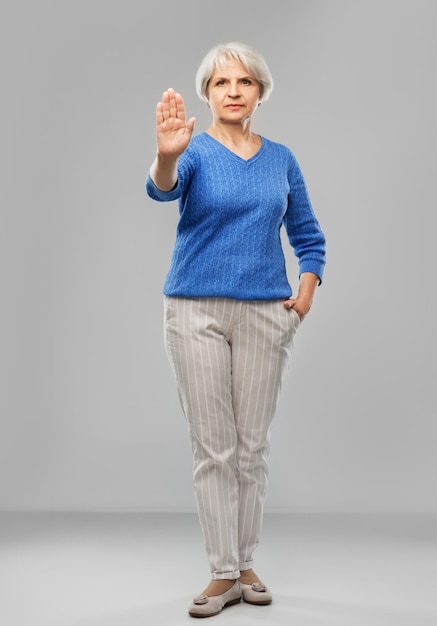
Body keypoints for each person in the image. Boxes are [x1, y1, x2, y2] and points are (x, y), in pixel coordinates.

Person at [145, 41, 326, 618]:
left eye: (244, 83)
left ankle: (246, 563)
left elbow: (308, 234)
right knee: (214, 448)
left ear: (259, 93)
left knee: (251, 447)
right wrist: (166, 155)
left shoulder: (281, 158)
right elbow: (162, 188)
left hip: (264, 314)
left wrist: (304, 293)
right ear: (207, 93)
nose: (232, 92)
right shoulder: (193, 152)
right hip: (194, 311)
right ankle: (221, 573)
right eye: (221, 83)